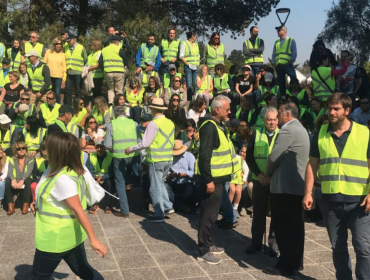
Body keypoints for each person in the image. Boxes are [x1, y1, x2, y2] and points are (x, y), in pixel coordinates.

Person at [303, 92, 370, 280]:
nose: (331, 112)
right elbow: (312, 165)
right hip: (331, 200)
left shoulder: (365, 133)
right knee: (337, 248)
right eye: (329, 108)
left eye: (336, 108)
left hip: (359, 201)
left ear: (347, 111)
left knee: (363, 247)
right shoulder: (320, 134)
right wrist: (308, 192)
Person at [31, 132, 107, 279]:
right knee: (84, 270)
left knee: (39, 275)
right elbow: (55, 197)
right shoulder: (61, 169)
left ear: (57, 152)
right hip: (70, 235)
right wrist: (38, 204)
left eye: (48, 148)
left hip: (54, 238)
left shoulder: (62, 178)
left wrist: (94, 239)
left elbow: (77, 209)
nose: (44, 151)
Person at [262, 102, 310, 276]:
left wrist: (267, 173)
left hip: (284, 187)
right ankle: (296, 262)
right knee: (296, 227)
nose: (279, 117)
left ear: (287, 115)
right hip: (297, 186)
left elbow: (274, 157)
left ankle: (285, 265)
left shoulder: (288, 130)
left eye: (280, 114)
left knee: (283, 227)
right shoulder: (302, 129)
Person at [197, 95, 239, 264]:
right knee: (208, 214)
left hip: (219, 178)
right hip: (212, 179)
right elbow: (204, 155)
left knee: (213, 214)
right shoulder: (209, 127)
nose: (229, 111)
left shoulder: (218, 126)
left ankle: (208, 243)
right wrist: (208, 180)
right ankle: (203, 249)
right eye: (227, 109)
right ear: (216, 109)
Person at [125, 98, 175, 223]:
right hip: (168, 158)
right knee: (161, 183)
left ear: (153, 109)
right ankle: (168, 206)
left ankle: (159, 214)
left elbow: (145, 143)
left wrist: (130, 149)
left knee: (155, 187)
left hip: (156, 159)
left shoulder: (153, 124)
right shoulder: (170, 122)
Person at [245, 107, 279, 256]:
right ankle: (256, 243)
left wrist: (272, 176)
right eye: (269, 119)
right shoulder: (256, 134)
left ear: (278, 120)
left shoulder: (283, 135)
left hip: (275, 181)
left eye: (274, 119)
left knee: (276, 214)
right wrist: (258, 174)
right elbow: (249, 157)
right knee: (258, 214)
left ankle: (274, 245)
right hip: (258, 180)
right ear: (264, 120)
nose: (272, 122)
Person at [105, 106, 140, 218]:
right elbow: (140, 141)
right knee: (136, 178)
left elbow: (107, 145)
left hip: (119, 156)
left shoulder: (112, 125)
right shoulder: (134, 123)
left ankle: (125, 210)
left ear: (115, 114)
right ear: (125, 113)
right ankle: (141, 205)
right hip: (134, 155)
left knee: (120, 182)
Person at [165, 140, 195, 213]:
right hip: (174, 181)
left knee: (188, 193)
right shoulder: (170, 157)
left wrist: (182, 174)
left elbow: (192, 172)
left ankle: (178, 206)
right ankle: (180, 206)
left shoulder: (190, 156)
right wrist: (170, 174)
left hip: (186, 181)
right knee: (165, 188)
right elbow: (167, 170)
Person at [5, 141, 34, 215]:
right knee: (7, 181)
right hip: (16, 178)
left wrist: (22, 180)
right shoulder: (12, 160)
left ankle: (25, 204)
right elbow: (10, 171)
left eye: (23, 148)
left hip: (26, 178)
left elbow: (29, 172)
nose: (21, 150)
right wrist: (13, 179)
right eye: (19, 149)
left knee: (27, 181)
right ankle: (10, 204)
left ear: (26, 149)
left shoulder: (30, 159)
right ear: (16, 151)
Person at [86, 140, 114, 214]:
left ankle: (108, 205)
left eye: (101, 147)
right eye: (97, 147)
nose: (99, 149)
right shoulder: (91, 156)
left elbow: (112, 172)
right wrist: (94, 179)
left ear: (105, 148)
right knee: (91, 183)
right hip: (95, 177)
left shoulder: (111, 156)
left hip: (107, 177)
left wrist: (103, 177)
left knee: (110, 183)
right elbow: (89, 170)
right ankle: (94, 204)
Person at [100, 35, 126, 104]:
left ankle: (111, 103)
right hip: (119, 72)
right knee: (119, 90)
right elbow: (125, 60)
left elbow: (100, 62)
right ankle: (119, 103)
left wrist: (104, 69)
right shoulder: (118, 49)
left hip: (108, 72)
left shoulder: (104, 49)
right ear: (117, 42)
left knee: (110, 89)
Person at [272, 26, 298, 96]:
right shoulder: (276, 42)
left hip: (287, 65)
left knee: (294, 79)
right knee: (281, 84)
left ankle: (294, 94)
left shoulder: (291, 40)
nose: (277, 32)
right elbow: (274, 54)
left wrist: (291, 60)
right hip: (279, 66)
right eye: (277, 30)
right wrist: (274, 63)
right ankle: (283, 98)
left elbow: (294, 52)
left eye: (279, 30)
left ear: (284, 31)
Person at [64, 33, 88, 105]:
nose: (68, 42)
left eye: (69, 41)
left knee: (78, 90)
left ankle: (79, 105)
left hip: (78, 72)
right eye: (67, 41)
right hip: (69, 72)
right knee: (67, 90)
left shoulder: (81, 48)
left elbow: (85, 60)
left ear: (74, 40)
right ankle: (68, 106)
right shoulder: (65, 47)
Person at [43, 37, 66, 103]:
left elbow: (64, 66)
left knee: (57, 93)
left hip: (58, 76)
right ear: (54, 44)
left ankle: (57, 106)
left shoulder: (63, 54)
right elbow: (44, 62)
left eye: (60, 44)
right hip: (49, 75)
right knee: (49, 92)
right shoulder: (48, 52)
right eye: (57, 44)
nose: (58, 45)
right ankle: (49, 104)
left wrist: (64, 76)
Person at [180, 31, 200, 99]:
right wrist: (187, 64)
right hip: (188, 67)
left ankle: (194, 98)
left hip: (196, 66)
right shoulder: (184, 43)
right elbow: (181, 56)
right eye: (195, 35)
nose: (196, 37)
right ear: (192, 36)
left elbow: (198, 55)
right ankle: (189, 99)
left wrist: (198, 63)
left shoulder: (196, 44)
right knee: (188, 84)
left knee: (194, 84)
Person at [0, 144, 8, 210]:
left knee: (1, 183)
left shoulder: (6, 158)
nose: (0, 151)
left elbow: (6, 172)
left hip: (2, 177)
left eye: (1, 149)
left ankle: (0, 203)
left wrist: (1, 178)